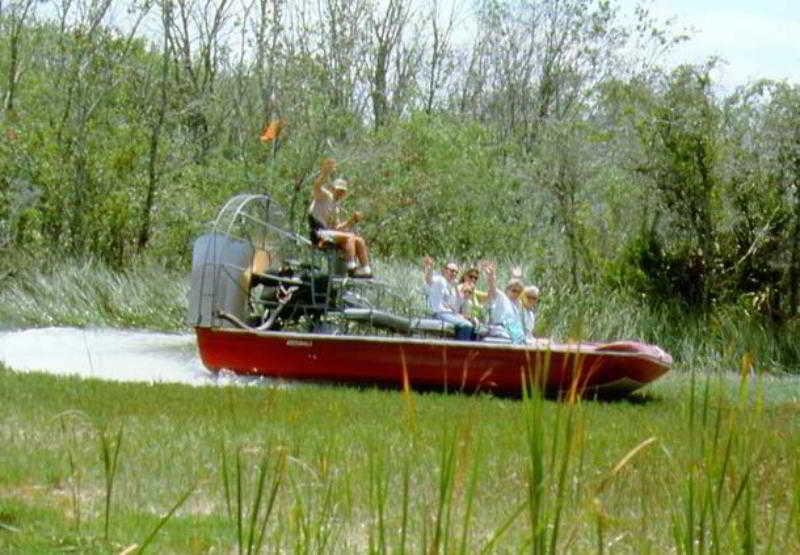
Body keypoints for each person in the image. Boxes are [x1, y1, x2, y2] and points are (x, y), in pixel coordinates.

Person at [308, 158, 372, 277]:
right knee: (350, 237)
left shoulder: (335, 208)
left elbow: (337, 228)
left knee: (359, 240)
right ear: (333, 188)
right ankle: (351, 267)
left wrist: (352, 221)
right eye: (339, 190)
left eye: (343, 191)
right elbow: (317, 186)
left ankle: (365, 269)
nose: (340, 193)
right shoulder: (324, 196)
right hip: (318, 233)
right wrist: (325, 173)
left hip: (328, 233)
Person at [422, 256, 475, 341]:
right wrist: (430, 267)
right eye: (452, 271)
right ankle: (460, 351)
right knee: (466, 325)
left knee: (474, 325)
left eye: (456, 272)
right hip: (439, 314)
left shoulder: (451, 286)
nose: (454, 274)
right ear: (444, 270)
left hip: (449, 314)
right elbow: (429, 279)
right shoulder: (439, 280)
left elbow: (453, 306)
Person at [481, 261, 526, 344]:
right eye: (514, 291)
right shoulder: (501, 297)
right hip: (500, 330)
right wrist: (491, 276)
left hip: (513, 332)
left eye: (519, 292)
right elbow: (492, 286)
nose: (516, 294)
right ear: (507, 290)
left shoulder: (516, 306)